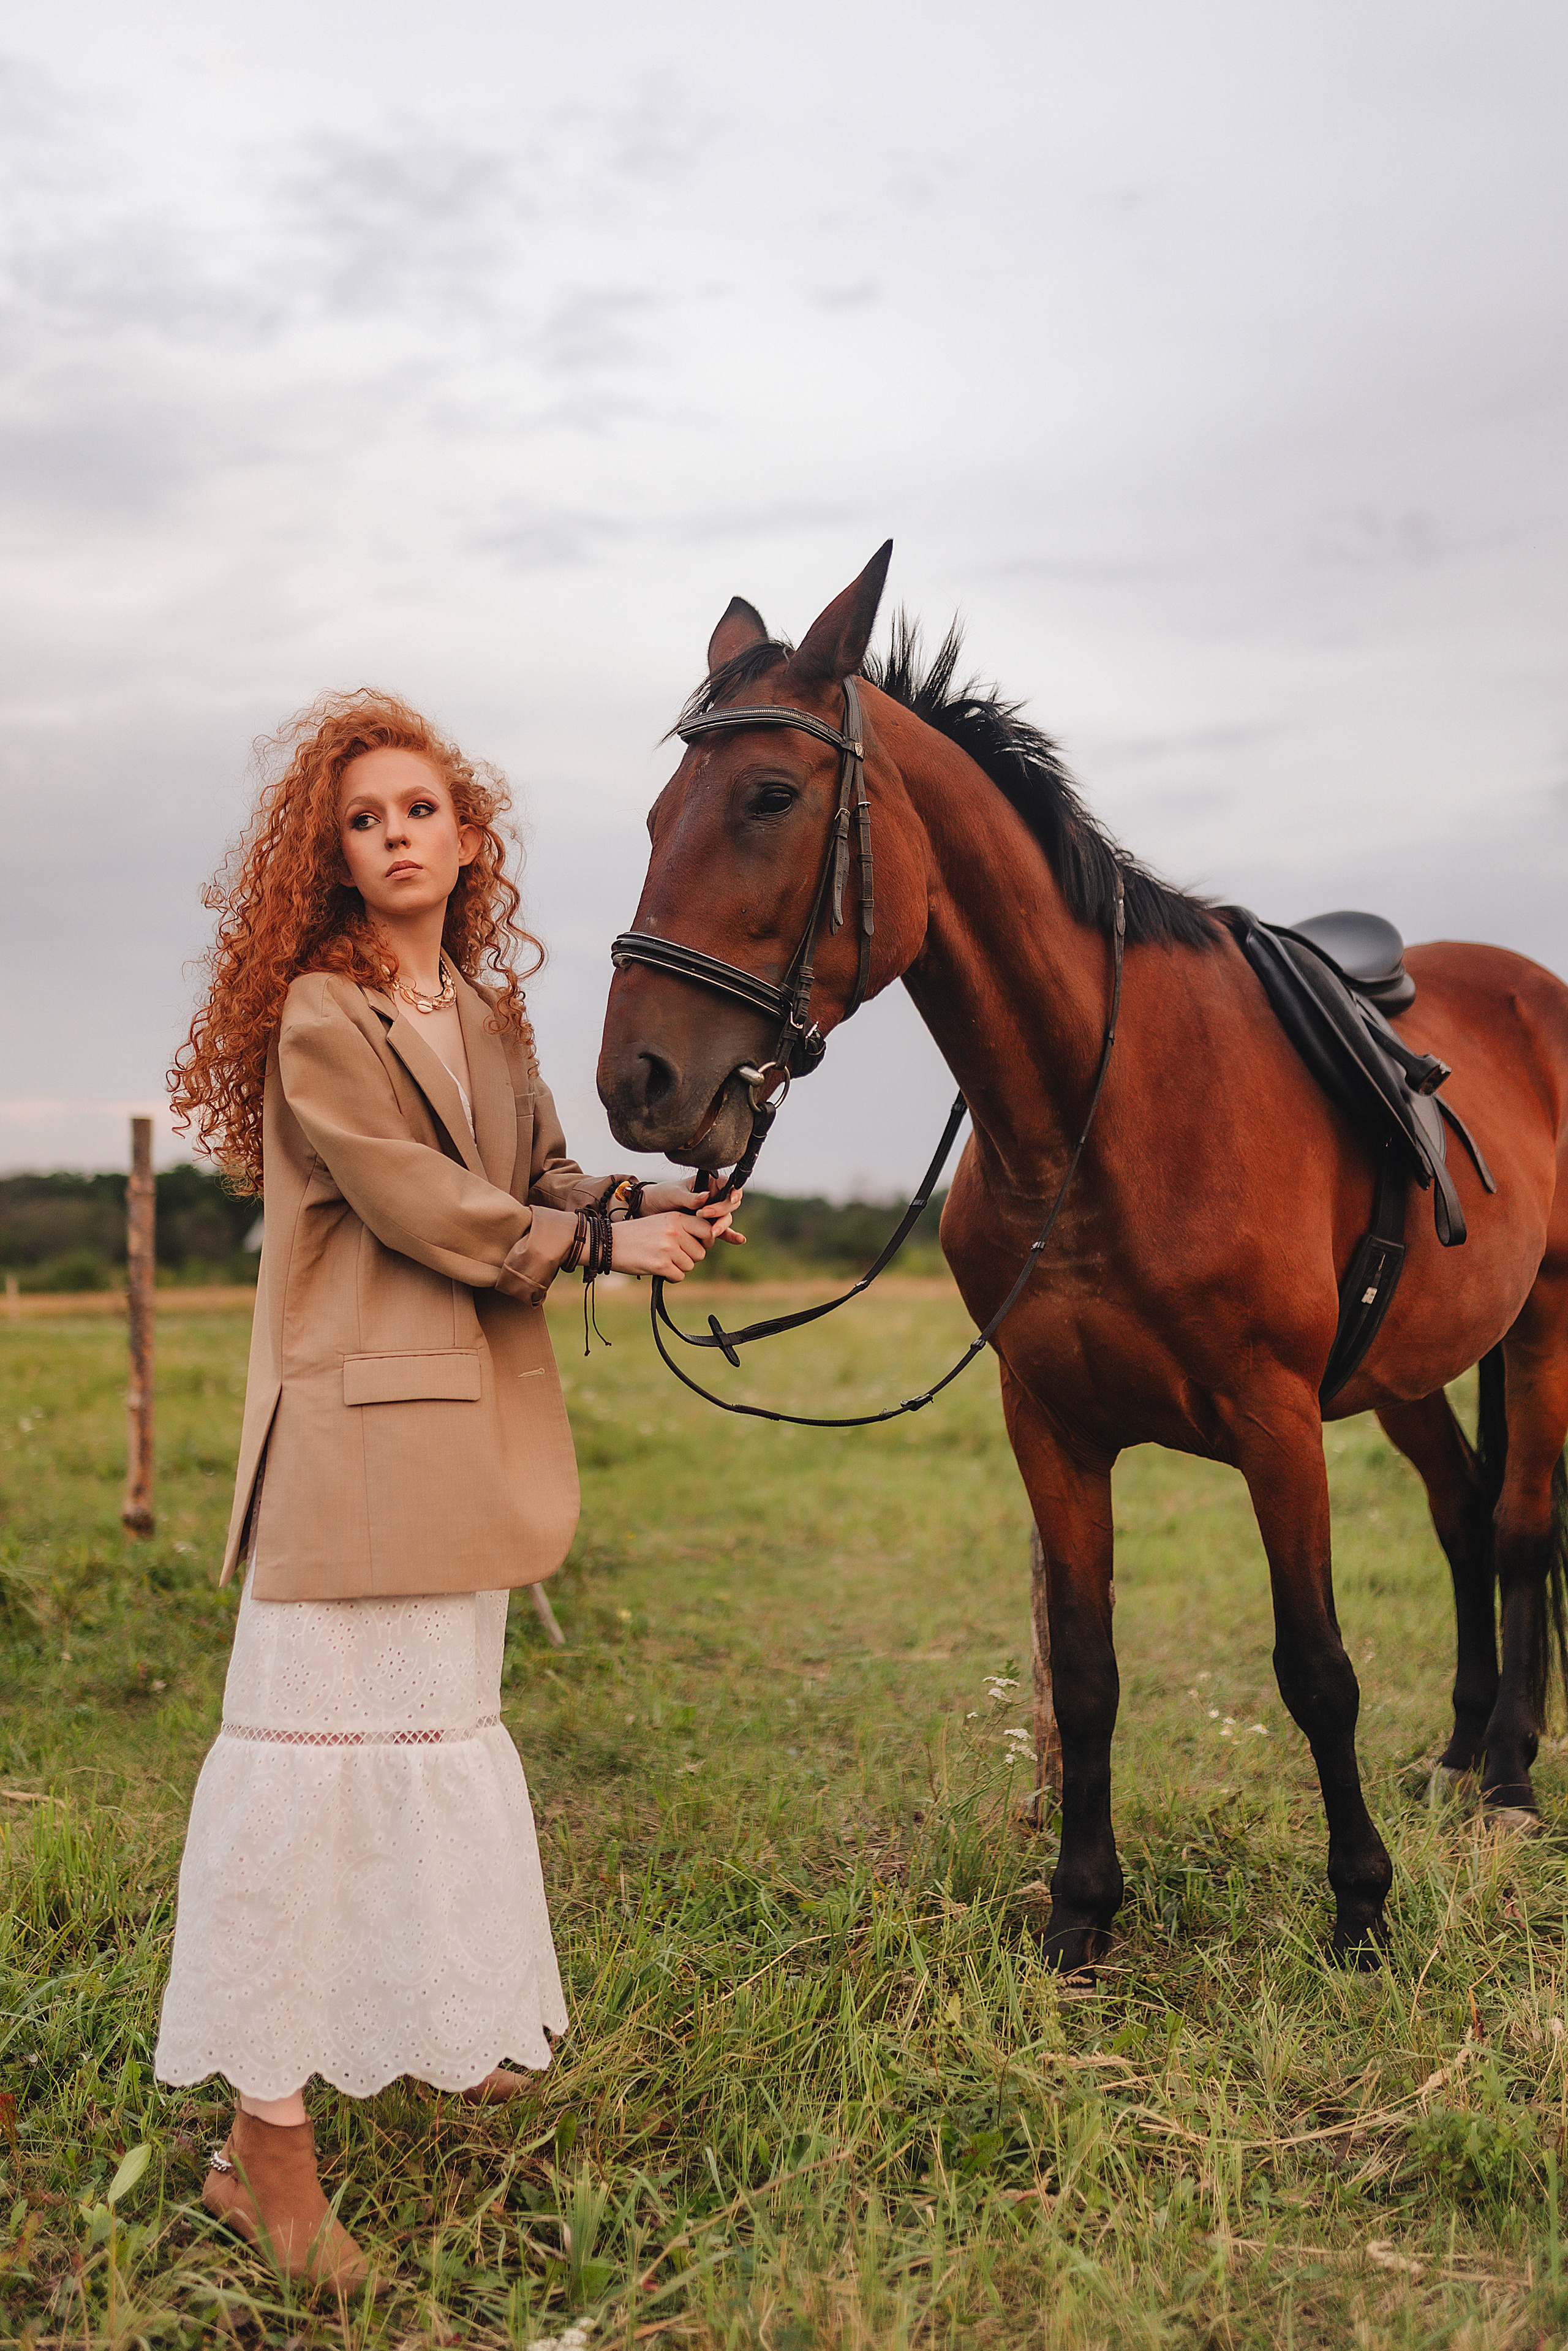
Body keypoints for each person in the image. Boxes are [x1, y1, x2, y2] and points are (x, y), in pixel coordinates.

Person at [155, 690, 737, 2292]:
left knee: (429, 1747)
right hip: (348, 1450)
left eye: (420, 809)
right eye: (365, 819)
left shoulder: (486, 1017)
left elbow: (532, 1179)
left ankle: (441, 2024)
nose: (396, 835)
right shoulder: (320, 1018)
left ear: (469, 841)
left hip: (457, 1437)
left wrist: (650, 1199)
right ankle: (262, 2154)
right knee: (307, 1787)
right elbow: (418, 1202)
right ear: (333, 860)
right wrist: (600, 1245)